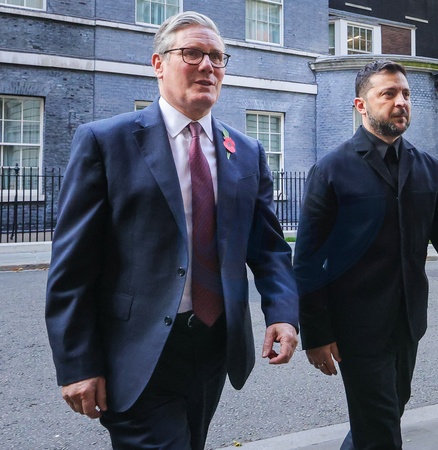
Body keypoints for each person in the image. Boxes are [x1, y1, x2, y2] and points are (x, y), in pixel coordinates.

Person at [45, 11, 299, 450]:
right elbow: (72, 265)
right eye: (192, 53)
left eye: (217, 57)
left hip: (213, 346)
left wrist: (282, 312)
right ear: (158, 64)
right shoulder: (106, 142)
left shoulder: (245, 151)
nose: (208, 66)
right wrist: (77, 363)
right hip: (137, 349)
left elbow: (269, 249)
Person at [293, 59, 438, 450]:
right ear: (361, 105)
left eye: (405, 94)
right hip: (356, 329)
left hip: (408, 324)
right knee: (381, 428)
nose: (401, 101)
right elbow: (308, 260)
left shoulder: (427, 167)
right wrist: (316, 333)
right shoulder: (331, 170)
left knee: (386, 413)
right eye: (388, 93)